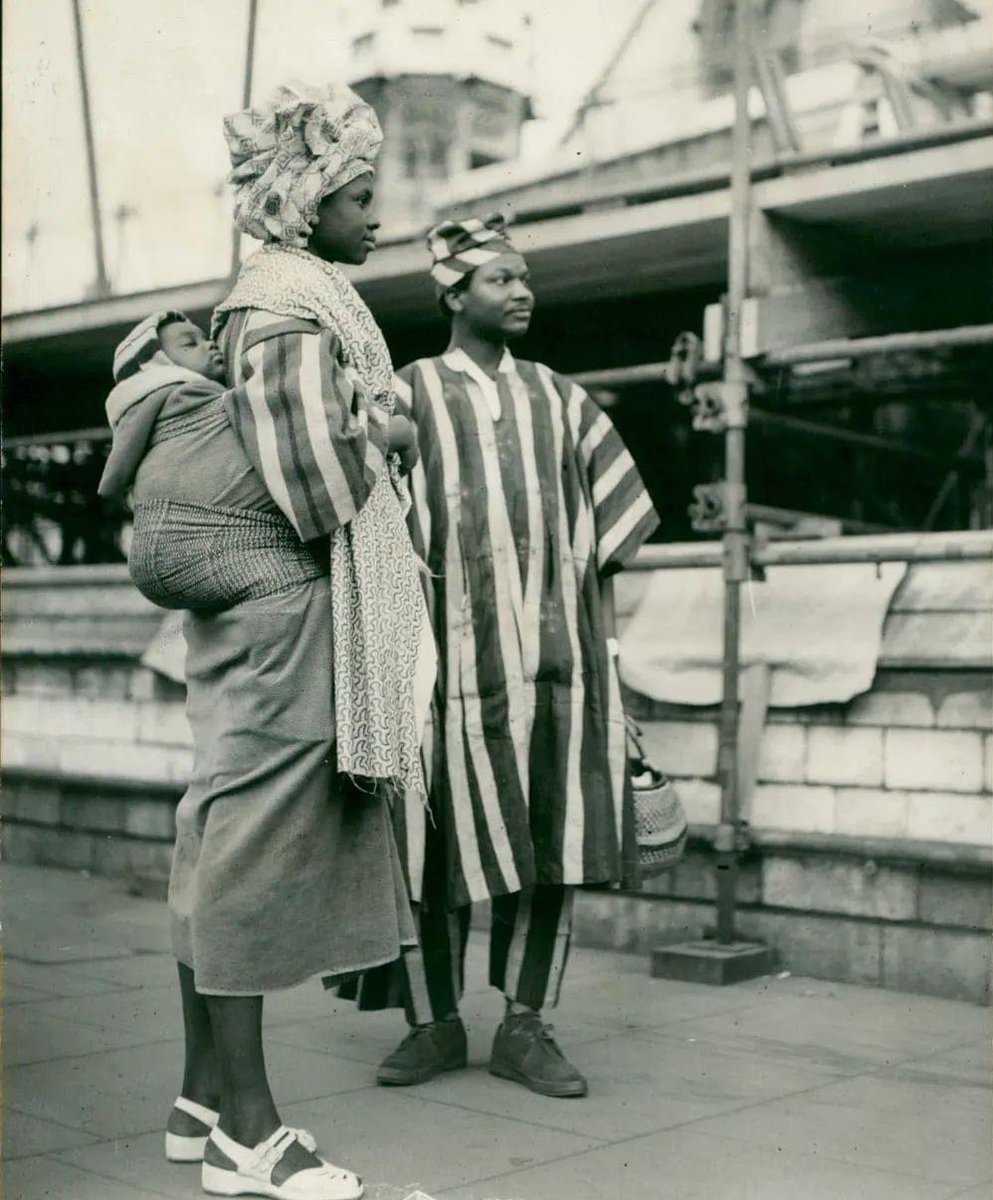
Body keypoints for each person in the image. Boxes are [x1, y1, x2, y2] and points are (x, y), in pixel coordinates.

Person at [103, 82, 430, 1200]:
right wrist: (388, 434)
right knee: (247, 845)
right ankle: (250, 1136)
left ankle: (200, 1100)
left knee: (214, 829)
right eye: (360, 197)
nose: (377, 217)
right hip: (285, 604)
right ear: (305, 200)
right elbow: (313, 481)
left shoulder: (260, 298)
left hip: (241, 608)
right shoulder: (292, 301)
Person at [356, 214, 659, 1099]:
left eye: (525, 278)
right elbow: (366, 536)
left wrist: (607, 666)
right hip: (437, 674)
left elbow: (608, 549)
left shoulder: (561, 399)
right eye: (501, 279)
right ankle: (434, 1024)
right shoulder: (403, 395)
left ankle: (524, 1026)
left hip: (556, 673)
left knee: (552, 838)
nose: (522, 292)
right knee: (429, 845)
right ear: (454, 295)